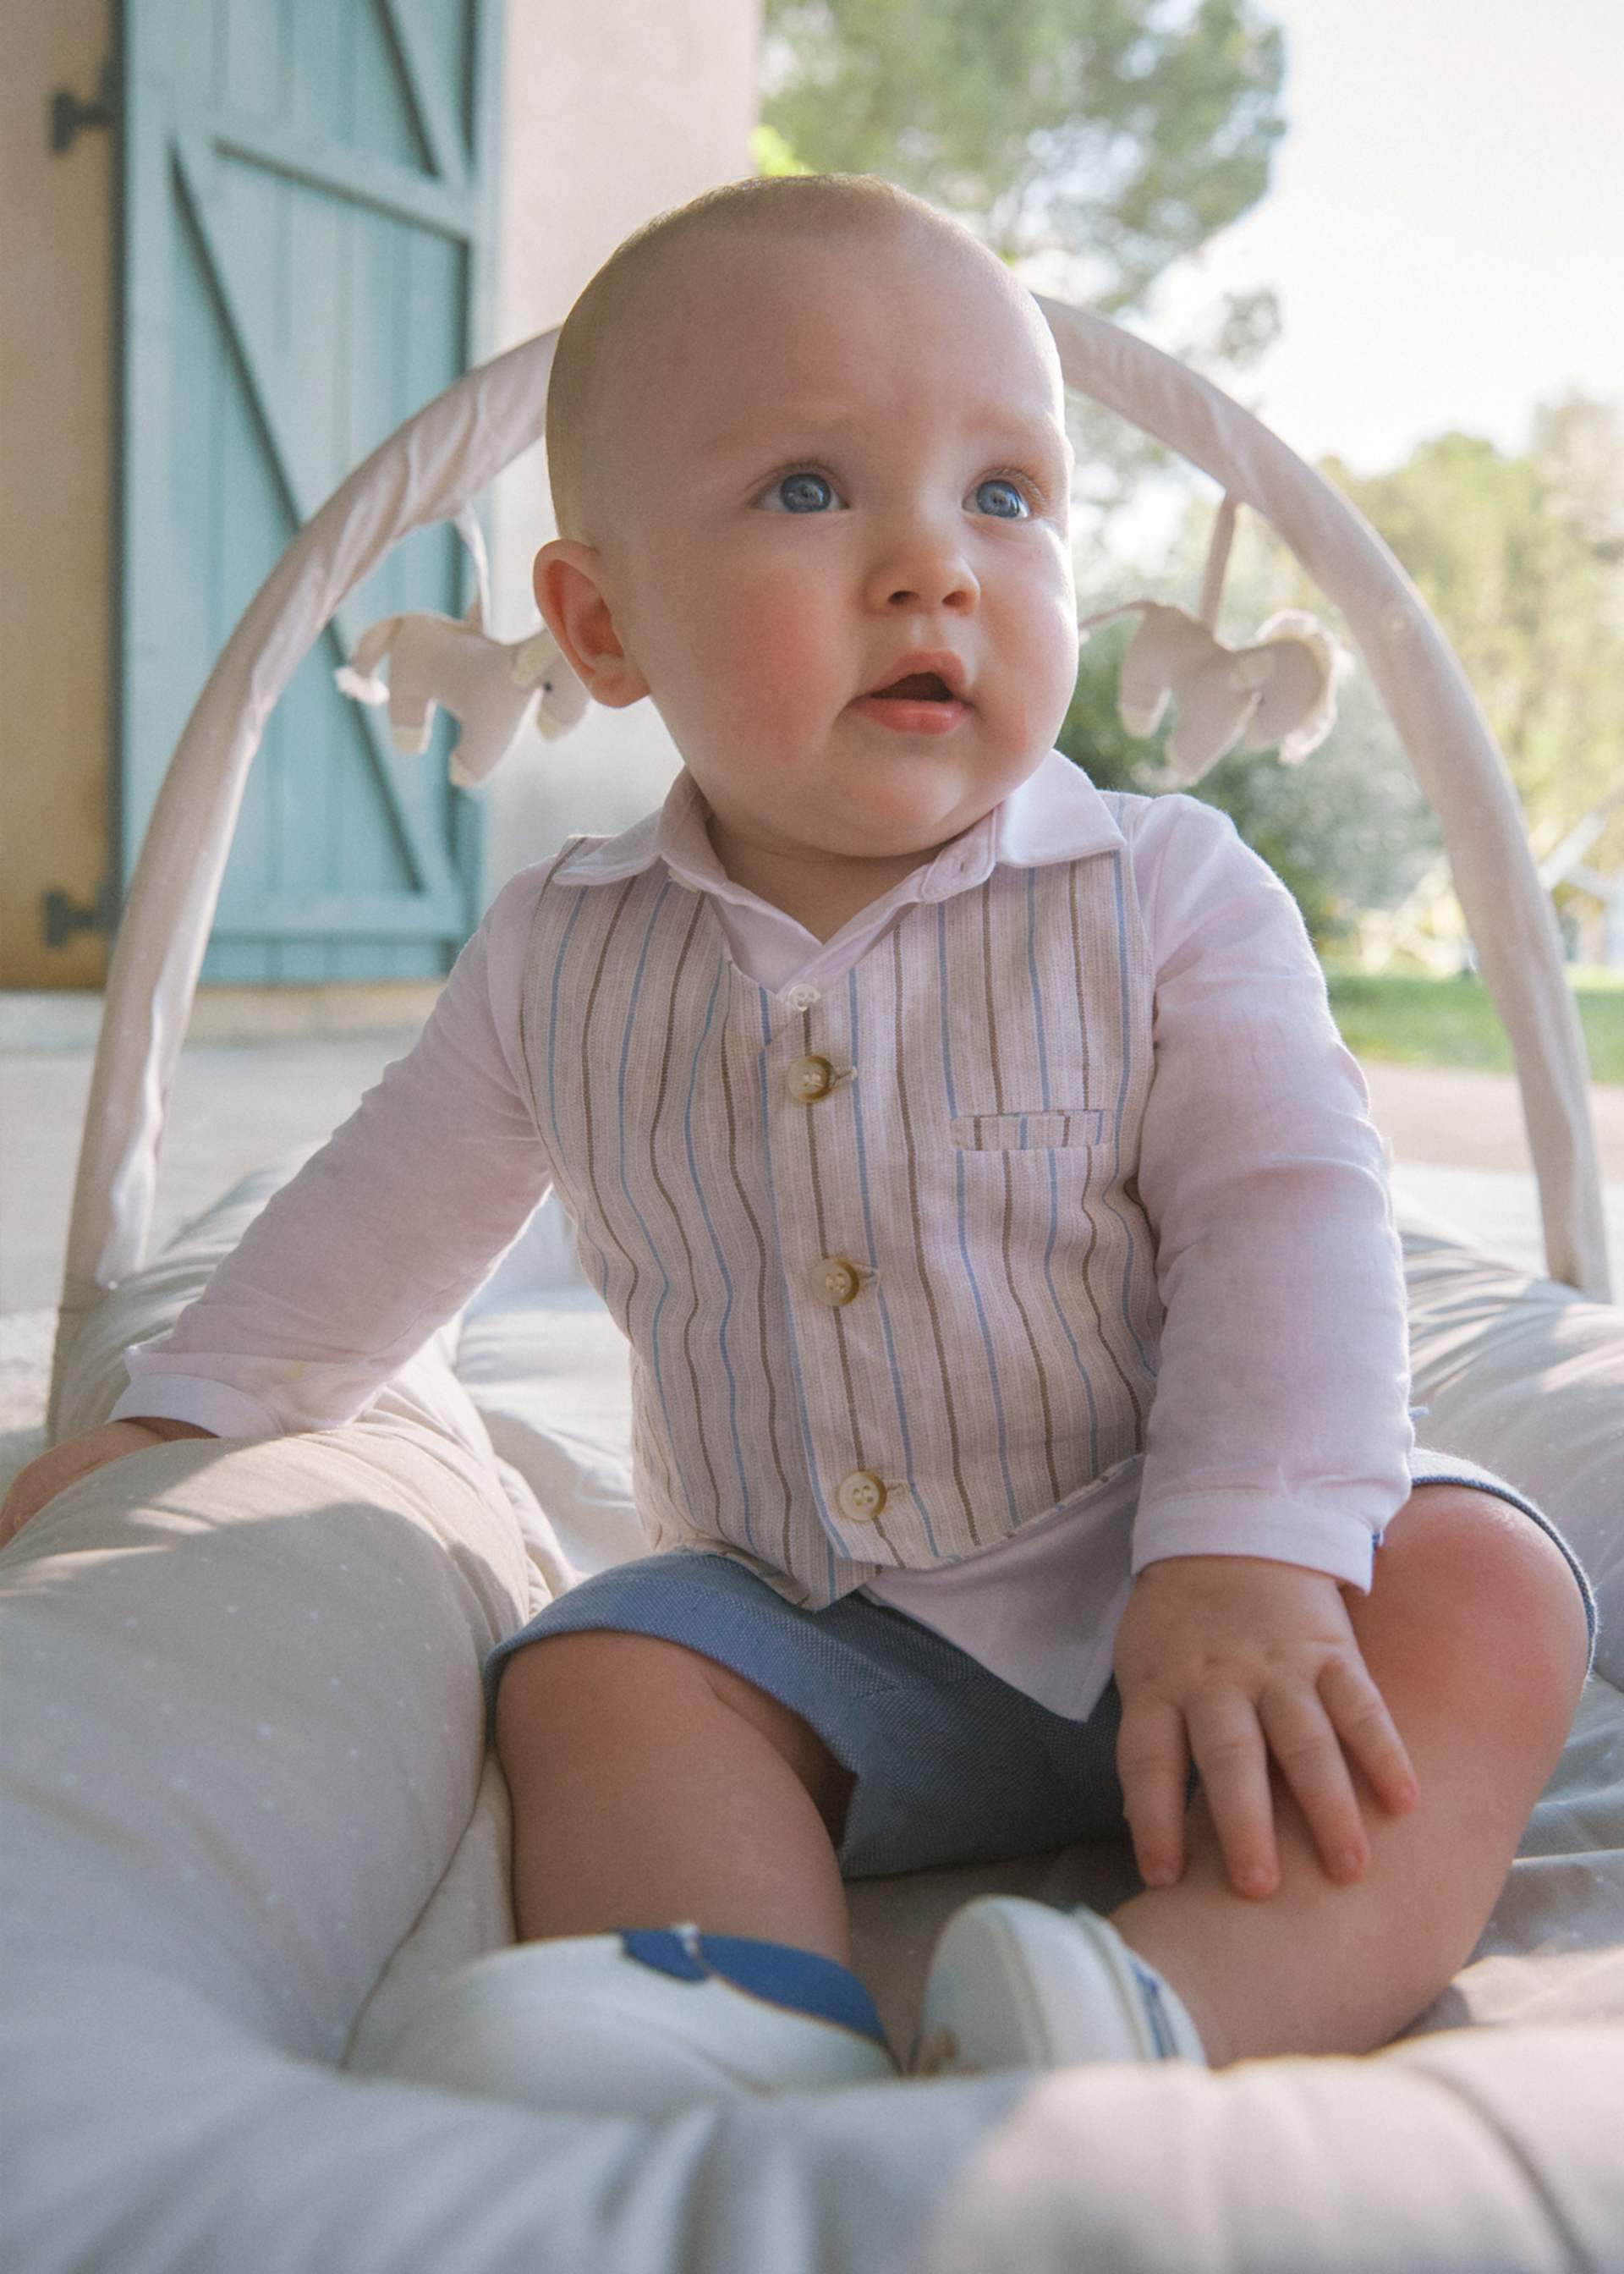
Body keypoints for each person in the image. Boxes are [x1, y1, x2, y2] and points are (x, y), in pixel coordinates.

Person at [2, 173, 1596, 2121]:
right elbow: (365, 1237)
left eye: (1006, 497)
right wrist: (180, 1429)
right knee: (594, 1677)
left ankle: (1164, 2007)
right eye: (810, 491)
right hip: (820, 1625)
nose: (937, 567)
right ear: (602, 625)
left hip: (1189, 1584)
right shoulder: (561, 958)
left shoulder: (1163, 894)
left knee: (1487, 1585)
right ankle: (744, 2008)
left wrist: (1254, 1543)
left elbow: (1293, 1222)